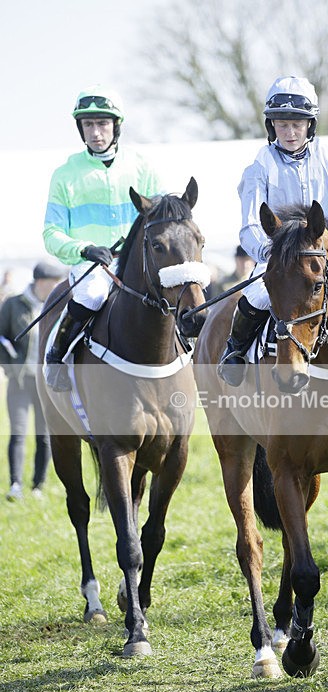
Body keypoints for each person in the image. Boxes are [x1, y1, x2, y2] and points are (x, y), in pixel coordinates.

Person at [218, 75, 328, 386]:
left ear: (310, 126)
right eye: (282, 123)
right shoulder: (259, 166)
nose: (289, 132)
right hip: (282, 256)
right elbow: (249, 225)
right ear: (271, 125)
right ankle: (235, 352)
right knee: (256, 296)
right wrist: (268, 251)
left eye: (297, 124)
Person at [42, 84, 163, 392]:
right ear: (81, 129)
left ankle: (188, 353)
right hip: (93, 267)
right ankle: (58, 354)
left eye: (102, 123)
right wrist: (84, 248)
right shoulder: (65, 174)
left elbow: (163, 217)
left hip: (138, 263)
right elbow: (51, 233)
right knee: (93, 294)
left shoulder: (143, 167)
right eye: (89, 125)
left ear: (116, 126)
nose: (96, 132)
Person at [0, 259, 66, 500]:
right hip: (19, 380)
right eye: (53, 282)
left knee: (44, 436)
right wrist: (8, 368)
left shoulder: (59, 305)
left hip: (45, 383)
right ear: (40, 282)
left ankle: (38, 485)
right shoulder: (13, 304)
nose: (57, 286)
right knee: (17, 433)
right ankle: (15, 485)